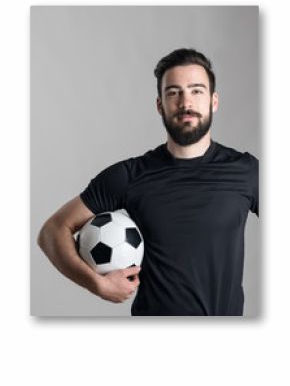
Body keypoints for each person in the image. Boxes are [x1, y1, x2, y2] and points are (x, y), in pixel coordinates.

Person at [38, 48, 259, 316]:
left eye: (196, 90)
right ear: (160, 105)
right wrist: (97, 284)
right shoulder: (130, 175)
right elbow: (52, 231)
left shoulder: (246, 171)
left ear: (214, 101)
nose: (185, 102)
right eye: (173, 92)